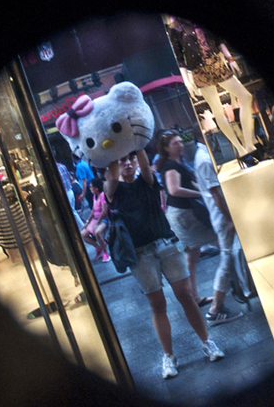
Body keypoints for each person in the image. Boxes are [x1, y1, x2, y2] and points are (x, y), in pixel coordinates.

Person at [104, 148, 225, 379]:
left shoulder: (147, 181)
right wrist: (113, 148)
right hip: (139, 254)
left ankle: (208, 342)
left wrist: (133, 143)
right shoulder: (114, 190)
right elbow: (110, 176)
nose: (128, 163)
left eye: (130, 159)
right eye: (122, 161)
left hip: (165, 243)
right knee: (157, 305)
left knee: (185, 294)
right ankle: (169, 357)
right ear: (116, 166)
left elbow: (143, 159)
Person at [158, 131, 242, 324]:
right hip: (184, 215)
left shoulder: (176, 163)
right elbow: (174, 190)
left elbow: (190, 184)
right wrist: (202, 194)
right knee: (221, 244)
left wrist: (201, 190)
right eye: (175, 143)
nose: (179, 145)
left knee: (193, 255)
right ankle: (222, 295)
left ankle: (194, 296)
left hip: (182, 214)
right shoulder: (171, 165)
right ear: (166, 148)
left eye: (180, 142)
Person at [191, 131, 244, 324]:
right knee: (227, 258)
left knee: (229, 257)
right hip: (221, 218)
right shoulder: (204, 159)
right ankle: (215, 309)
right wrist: (229, 218)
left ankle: (227, 298)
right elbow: (215, 195)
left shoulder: (201, 155)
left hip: (219, 216)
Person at [81, 177, 111, 262]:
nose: (89, 188)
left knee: (97, 232)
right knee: (83, 234)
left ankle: (105, 252)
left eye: (91, 187)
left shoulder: (102, 195)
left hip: (104, 219)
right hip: (95, 219)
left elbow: (104, 211)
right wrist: (87, 222)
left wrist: (97, 223)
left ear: (96, 188)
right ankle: (98, 247)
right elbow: (93, 210)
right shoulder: (95, 196)